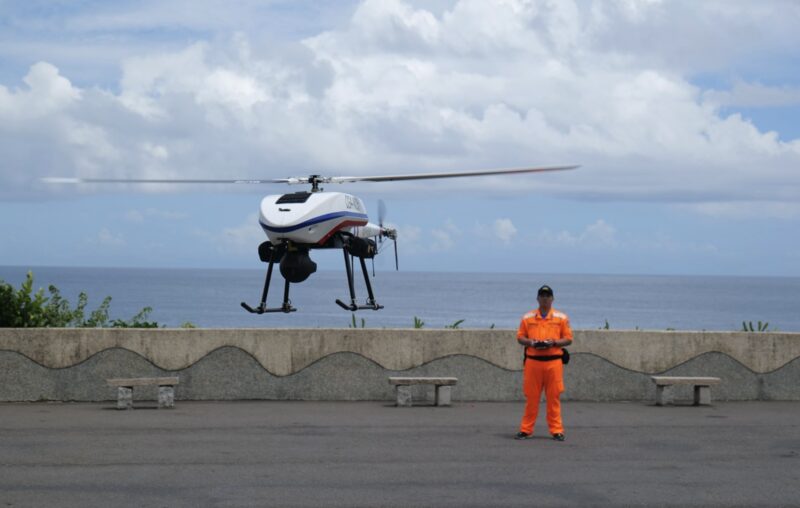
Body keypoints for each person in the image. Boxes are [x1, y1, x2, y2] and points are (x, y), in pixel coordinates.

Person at [515, 284, 573, 441]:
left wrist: (553, 343)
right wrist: (532, 343)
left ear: (552, 299)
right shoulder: (527, 318)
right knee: (531, 398)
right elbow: (520, 337)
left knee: (553, 398)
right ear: (537, 298)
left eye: (548, 296)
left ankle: (556, 430)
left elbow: (568, 339)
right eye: (542, 296)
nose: (545, 299)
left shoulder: (561, 318)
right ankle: (526, 430)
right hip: (533, 363)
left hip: (553, 363)